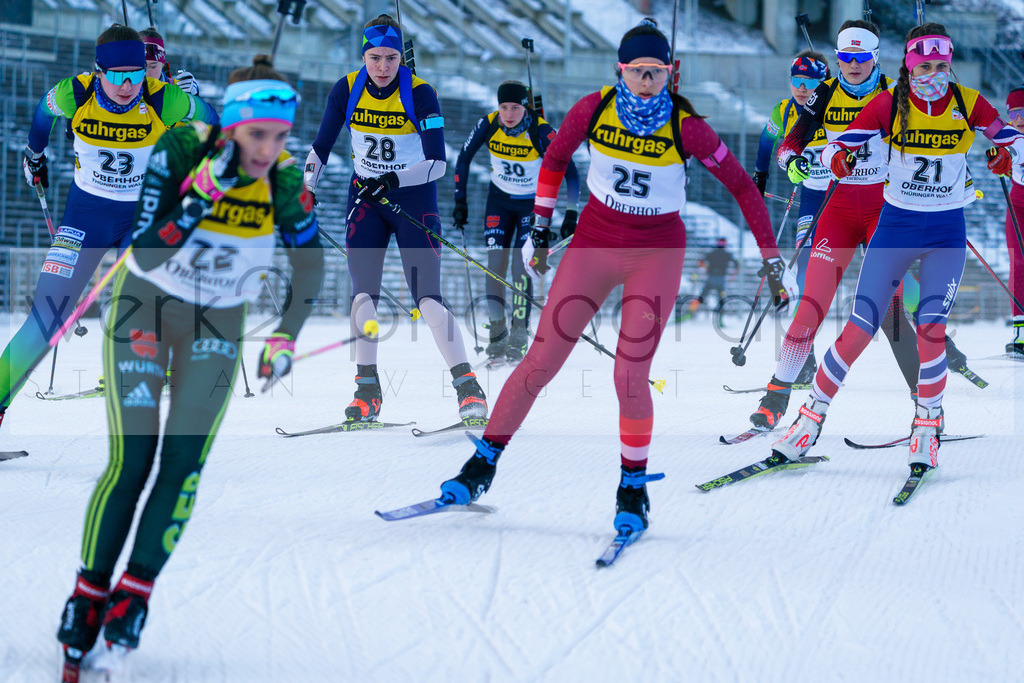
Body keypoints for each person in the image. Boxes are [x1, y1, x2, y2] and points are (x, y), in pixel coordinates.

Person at [432, 19, 793, 536]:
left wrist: (769, 255)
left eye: (657, 73)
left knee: (628, 374)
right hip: (594, 247)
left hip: (656, 253)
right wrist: (540, 226)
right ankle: (482, 465)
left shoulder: (685, 125)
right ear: (620, 71)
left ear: (670, 74)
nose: (648, 81)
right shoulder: (595, 108)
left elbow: (741, 185)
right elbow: (554, 158)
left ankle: (633, 489)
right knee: (540, 361)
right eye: (638, 72)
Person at [55, 55, 324, 675]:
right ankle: (88, 593)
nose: (269, 149)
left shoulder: (282, 182)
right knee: (134, 457)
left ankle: (135, 592)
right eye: (258, 134)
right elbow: (146, 248)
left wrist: (285, 335)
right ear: (230, 125)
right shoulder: (179, 148)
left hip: (216, 321)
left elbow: (309, 267)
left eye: (281, 137)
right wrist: (201, 192)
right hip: (145, 306)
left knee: (183, 464)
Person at [770, 24, 1024, 479]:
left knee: (929, 327)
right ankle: (809, 419)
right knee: (862, 325)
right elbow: (841, 142)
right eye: (925, 66)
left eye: (942, 66)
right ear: (908, 65)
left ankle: (927, 424)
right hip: (895, 227)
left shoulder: (968, 102)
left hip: (945, 233)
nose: (934, 74)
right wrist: (833, 160)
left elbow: (1009, 138)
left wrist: (1008, 158)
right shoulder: (888, 103)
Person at [0, 24, 217, 429]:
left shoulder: (163, 98)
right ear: (98, 71)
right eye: (117, 76)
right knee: (46, 318)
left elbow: (212, 123)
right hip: (85, 219)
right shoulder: (75, 92)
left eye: (136, 74)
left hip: (141, 219)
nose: (127, 85)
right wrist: (36, 153)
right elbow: (43, 113)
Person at [304, 14, 487, 423]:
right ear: (363, 55)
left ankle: (467, 386)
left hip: (412, 201)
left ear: (400, 57)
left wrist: (391, 180)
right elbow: (321, 145)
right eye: (374, 58)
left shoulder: (421, 93)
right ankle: (366, 389)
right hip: (366, 201)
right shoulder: (347, 89)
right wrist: (308, 185)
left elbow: (438, 163)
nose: (382, 67)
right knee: (362, 296)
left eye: (390, 58)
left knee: (427, 299)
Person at [750, 19, 923, 430]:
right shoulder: (824, 93)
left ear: (876, 57)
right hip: (839, 208)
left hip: (885, 210)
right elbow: (789, 143)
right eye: (846, 56)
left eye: (862, 57)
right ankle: (777, 394)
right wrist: (791, 161)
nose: (853, 64)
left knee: (890, 309)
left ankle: (925, 405)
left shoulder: (894, 94)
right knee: (811, 303)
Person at [452, 80, 581, 364]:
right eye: (503, 107)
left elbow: (570, 170)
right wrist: (460, 200)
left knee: (520, 267)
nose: (508, 114)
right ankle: (498, 332)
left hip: (530, 206)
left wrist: (571, 212)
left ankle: (520, 332)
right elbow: (463, 158)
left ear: (525, 107)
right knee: (494, 267)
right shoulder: (488, 124)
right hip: (498, 202)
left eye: (515, 108)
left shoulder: (541, 130)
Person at [752, 51, 829, 382]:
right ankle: (804, 357)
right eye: (795, 81)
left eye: (808, 83)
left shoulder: (834, 104)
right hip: (811, 196)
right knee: (804, 274)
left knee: (888, 272)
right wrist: (760, 176)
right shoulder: (783, 111)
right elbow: (766, 142)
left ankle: (939, 340)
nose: (800, 88)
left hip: (846, 193)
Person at [1003, 85, 1024, 355]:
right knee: (1018, 264)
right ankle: (1021, 334)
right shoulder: (1008, 135)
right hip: (1017, 203)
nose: (1020, 119)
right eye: (1014, 113)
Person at [680, 237, 738, 320]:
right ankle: (720, 319)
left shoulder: (712, 253)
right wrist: (733, 275)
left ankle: (689, 312)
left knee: (701, 297)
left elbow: (700, 262)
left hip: (711, 278)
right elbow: (737, 265)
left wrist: (705, 269)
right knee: (721, 299)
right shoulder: (727, 255)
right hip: (721, 279)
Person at [139, 26, 200, 96]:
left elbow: (202, 107)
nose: (147, 73)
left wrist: (194, 98)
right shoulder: (126, 89)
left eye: (153, 66)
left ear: (162, 63)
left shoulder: (176, 89)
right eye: (142, 67)